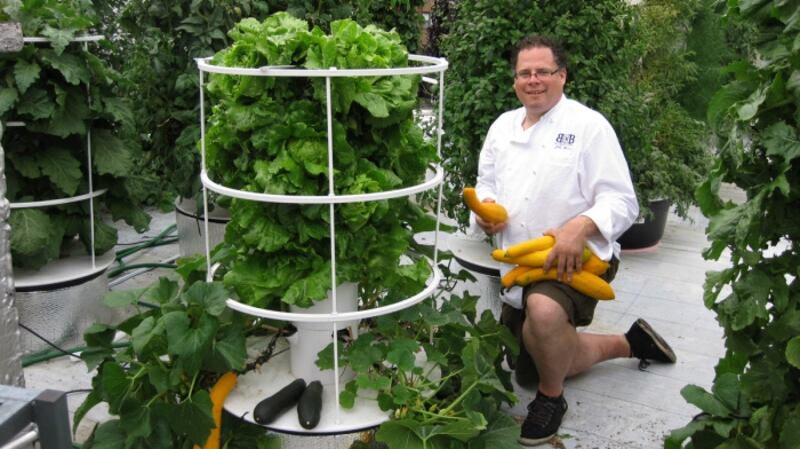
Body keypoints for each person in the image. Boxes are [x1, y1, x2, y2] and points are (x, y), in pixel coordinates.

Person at [470, 35, 677, 446]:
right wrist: (484, 212)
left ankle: (551, 399)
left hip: (576, 258)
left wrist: (580, 225)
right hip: (518, 261)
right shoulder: (501, 127)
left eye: (543, 72)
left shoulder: (588, 127)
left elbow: (621, 201)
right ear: (515, 81)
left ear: (561, 76)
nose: (533, 80)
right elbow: (485, 185)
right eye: (524, 73)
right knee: (533, 361)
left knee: (544, 315)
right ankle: (630, 342)